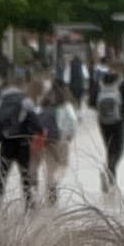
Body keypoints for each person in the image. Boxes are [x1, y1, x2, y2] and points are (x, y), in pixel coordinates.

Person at [0, 70, 38, 206]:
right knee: (25, 174)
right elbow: (35, 121)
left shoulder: (1, 100)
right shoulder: (26, 101)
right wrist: (34, 134)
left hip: (6, 143)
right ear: (23, 85)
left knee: (2, 173)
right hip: (23, 143)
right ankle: (29, 204)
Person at [37, 74, 76, 206]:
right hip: (61, 138)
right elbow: (72, 123)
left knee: (50, 166)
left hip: (46, 138)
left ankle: (50, 191)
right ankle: (54, 183)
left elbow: (37, 116)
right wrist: (70, 136)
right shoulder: (66, 105)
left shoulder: (45, 102)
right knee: (63, 165)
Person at [92, 65, 124, 194]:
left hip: (103, 122)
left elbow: (92, 102)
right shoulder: (122, 84)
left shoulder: (99, 84)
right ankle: (110, 170)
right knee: (119, 148)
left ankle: (110, 174)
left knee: (109, 148)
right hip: (119, 121)